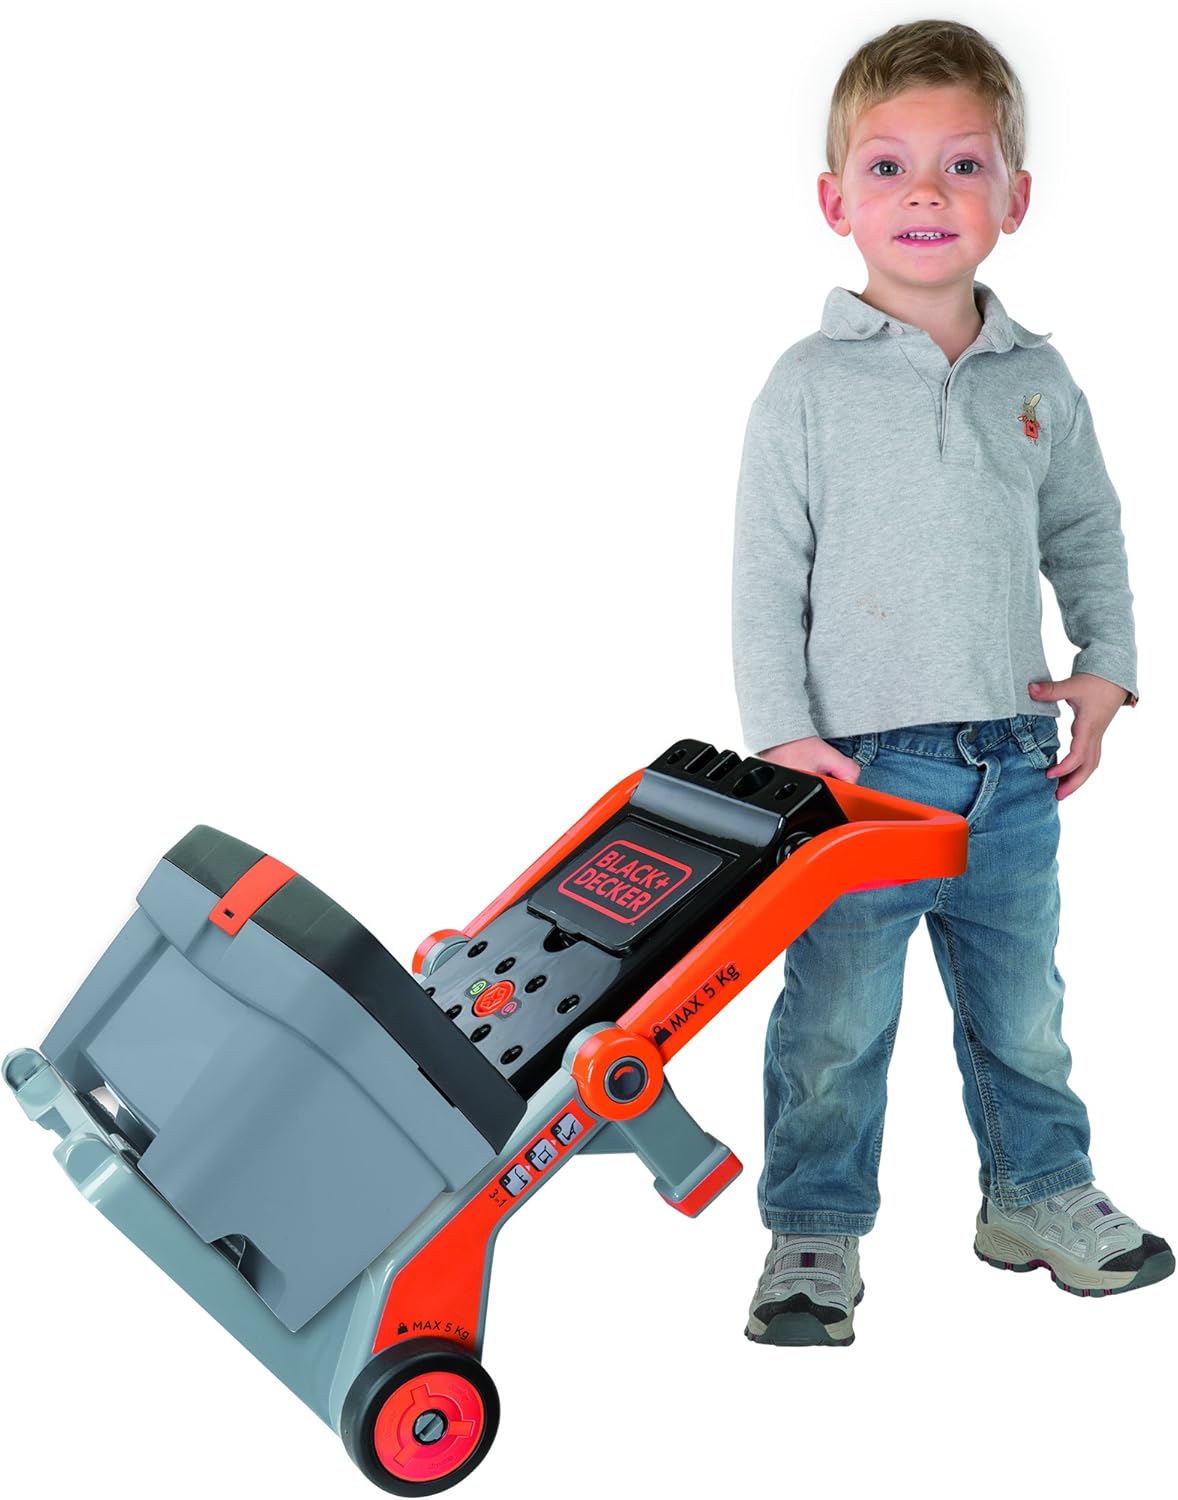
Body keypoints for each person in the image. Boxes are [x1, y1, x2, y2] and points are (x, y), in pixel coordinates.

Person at [730, 18, 1173, 1347]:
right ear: (835, 202)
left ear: (1013, 198)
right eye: (888, 166)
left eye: (962, 164)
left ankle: (1034, 1194)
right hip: (859, 778)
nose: (925, 192)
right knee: (835, 1021)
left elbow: (1086, 534)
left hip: (1011, 765)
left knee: (1022, 1011)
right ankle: (813, 1234)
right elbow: (765, 575)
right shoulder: (805, 387)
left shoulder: (1037, 380)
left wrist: (1105, 671)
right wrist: (781, 734)